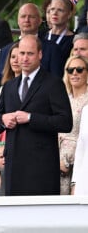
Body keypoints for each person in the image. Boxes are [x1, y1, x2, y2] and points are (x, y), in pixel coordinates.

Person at [0, 35, 73, 196]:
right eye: (22, 53)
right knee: (15, 218)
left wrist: (31, 118)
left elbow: (65, 122)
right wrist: (3, 120)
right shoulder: (9, 86)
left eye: (30, 53)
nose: (25, 58)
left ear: (40, 55)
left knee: (42, 218)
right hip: (13, 166)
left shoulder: (53, 83)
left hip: (42, 168)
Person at [0, 3, 64, 99]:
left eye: (31, 17)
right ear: (18, 21)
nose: (27, 20)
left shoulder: (52, 49)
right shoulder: (5, 50)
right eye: (23, 16)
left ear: (39, 21)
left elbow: (57, 83)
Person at [59, 55, 88, 195]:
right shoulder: (63, 97)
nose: (74, 73)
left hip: (78, 163)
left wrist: (67, 160)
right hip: (57, 158)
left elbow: (83, 139)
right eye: (70, 70)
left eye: (79, 69)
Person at [0, 43, 21, 147]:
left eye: (19, 57)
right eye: (12, 57)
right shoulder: (3, 86)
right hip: (0, 138)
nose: (15, 61)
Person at [47, 0, 76, 64]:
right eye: (52, 9)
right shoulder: (41, 35)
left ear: (69, 14)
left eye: (60, 10)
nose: (54, 13)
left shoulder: (74, 40)